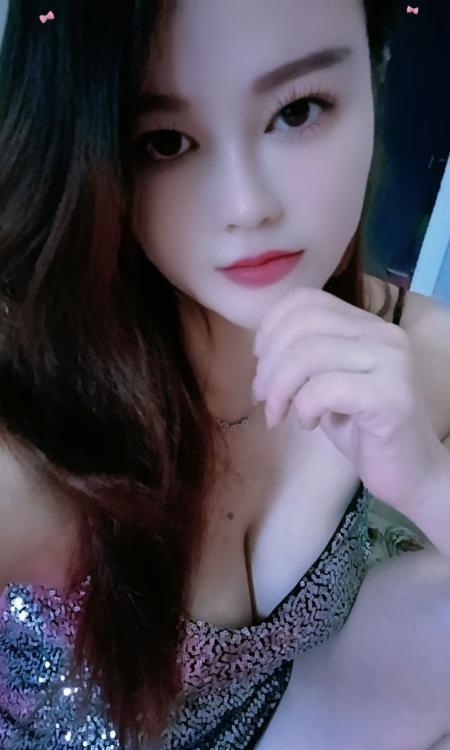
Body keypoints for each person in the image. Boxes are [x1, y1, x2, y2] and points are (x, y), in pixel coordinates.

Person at [1, 1, 450, 748]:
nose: (247, 206)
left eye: (298, 110)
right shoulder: (40, 411)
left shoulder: (415, 350)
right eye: (165, 142)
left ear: (376, 74)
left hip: (283, 722)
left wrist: (430, 483)